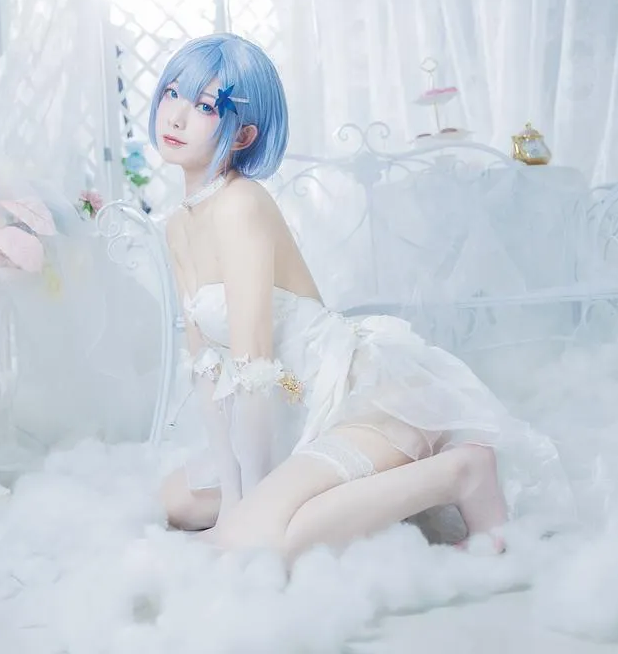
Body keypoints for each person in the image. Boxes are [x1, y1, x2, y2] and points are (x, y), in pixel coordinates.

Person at [154, 33, 569, 561]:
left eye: (205, 106)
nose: (176, 116)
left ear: (244, 135)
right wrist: (233, 501)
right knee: (177, 502)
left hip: (365, 403)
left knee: (254, 542)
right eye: (172, 93)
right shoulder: (179, 224)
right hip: (296, 416)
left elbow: (252, 367)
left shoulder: (241, 204)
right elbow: (208, 369)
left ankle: (463, 471)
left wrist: (247, 510)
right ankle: (342, 499)